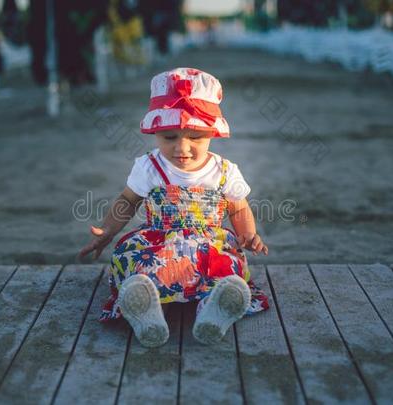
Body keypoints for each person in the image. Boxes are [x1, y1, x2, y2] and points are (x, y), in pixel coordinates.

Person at [79, 67, 270, 347]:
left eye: (195, 138)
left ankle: (214, 311)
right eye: (169, 137)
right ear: (156, 132)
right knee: (144, 268)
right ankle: (150, 312)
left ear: (212, 134)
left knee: (224, 267)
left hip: (209, 243)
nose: (182, 148)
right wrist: (107, 230)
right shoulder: (149, 166)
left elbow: (238, 208)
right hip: (158, 243)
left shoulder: (225, 170)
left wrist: (248, 233)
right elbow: (128, 201)